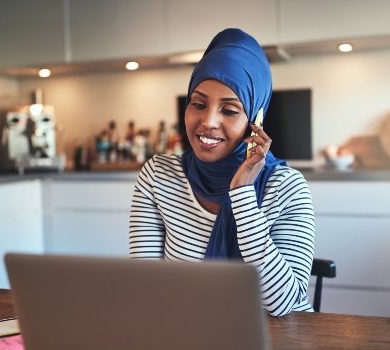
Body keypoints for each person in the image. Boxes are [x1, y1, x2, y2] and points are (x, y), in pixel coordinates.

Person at [129, 28, 315, 316]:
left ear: (255, 120)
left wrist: (242, 193)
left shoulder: (286, 187)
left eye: (229, 110)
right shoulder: (158, 176)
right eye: (198, 104)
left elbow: (284, 304)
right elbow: (145, 289)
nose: (208, 121)